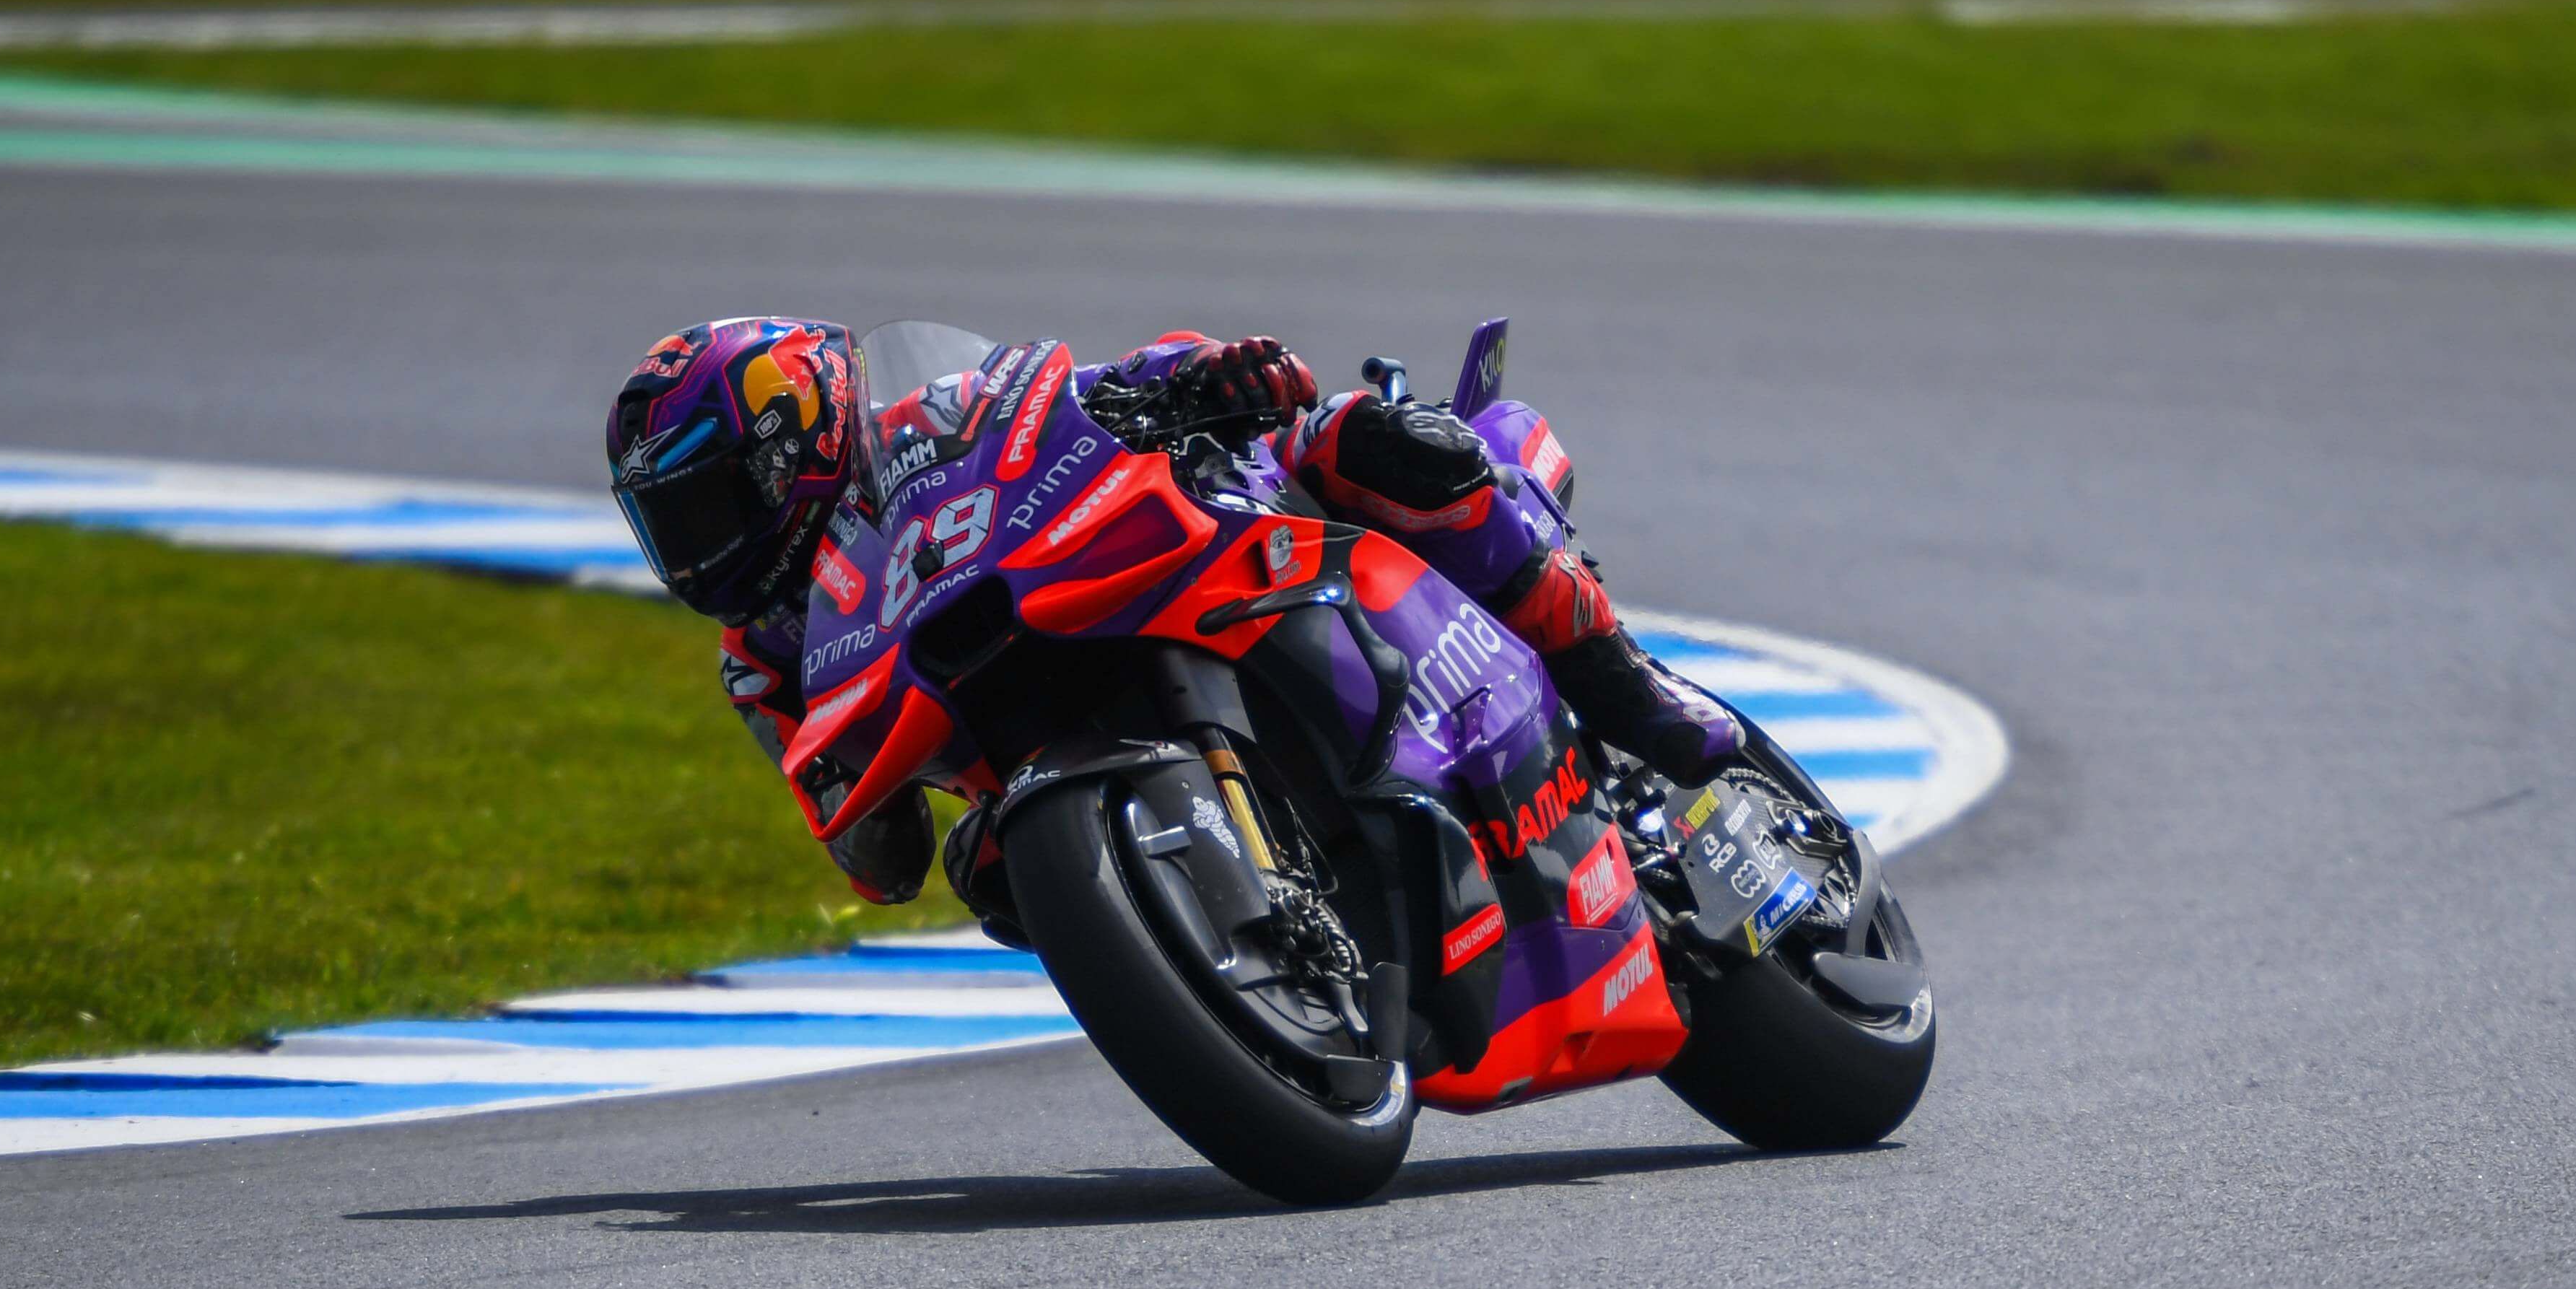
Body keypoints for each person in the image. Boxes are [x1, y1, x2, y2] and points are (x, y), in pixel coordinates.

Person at [604, 317, 1741, 910]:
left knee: (1370, 442)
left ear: (788, 439)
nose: (696, 548)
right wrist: (859, 800)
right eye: (668, 523)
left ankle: (1617, 680)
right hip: (1029, 745)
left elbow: (1088, 386)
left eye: (708, 502)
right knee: (990, 874)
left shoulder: (930, 412)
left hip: (1162, 549)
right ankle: (1245, 946)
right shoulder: (761, 654)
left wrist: (1215, 373)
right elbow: (876, 861)